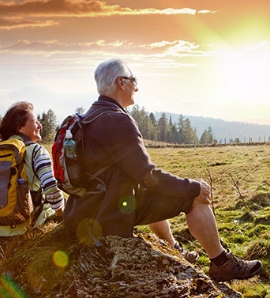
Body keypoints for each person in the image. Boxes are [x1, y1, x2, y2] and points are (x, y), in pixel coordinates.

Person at [63, 58, 262, 282]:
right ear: (121, 82)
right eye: (133, 80)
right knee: (194, 198)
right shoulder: (117, 120)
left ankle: (174, 248)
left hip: (84, 211)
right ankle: (222, 264)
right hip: (106, 214)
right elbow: (148, 176)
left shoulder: (89, 117)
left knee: (155, 193)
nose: (136, 87)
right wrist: (193, 186)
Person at [0, 101, 64, 237]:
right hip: (25, 224)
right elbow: (51, 189)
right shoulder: (37, 150)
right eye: (35, 121)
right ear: (20, 128)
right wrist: (62, 214)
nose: (40, 125)